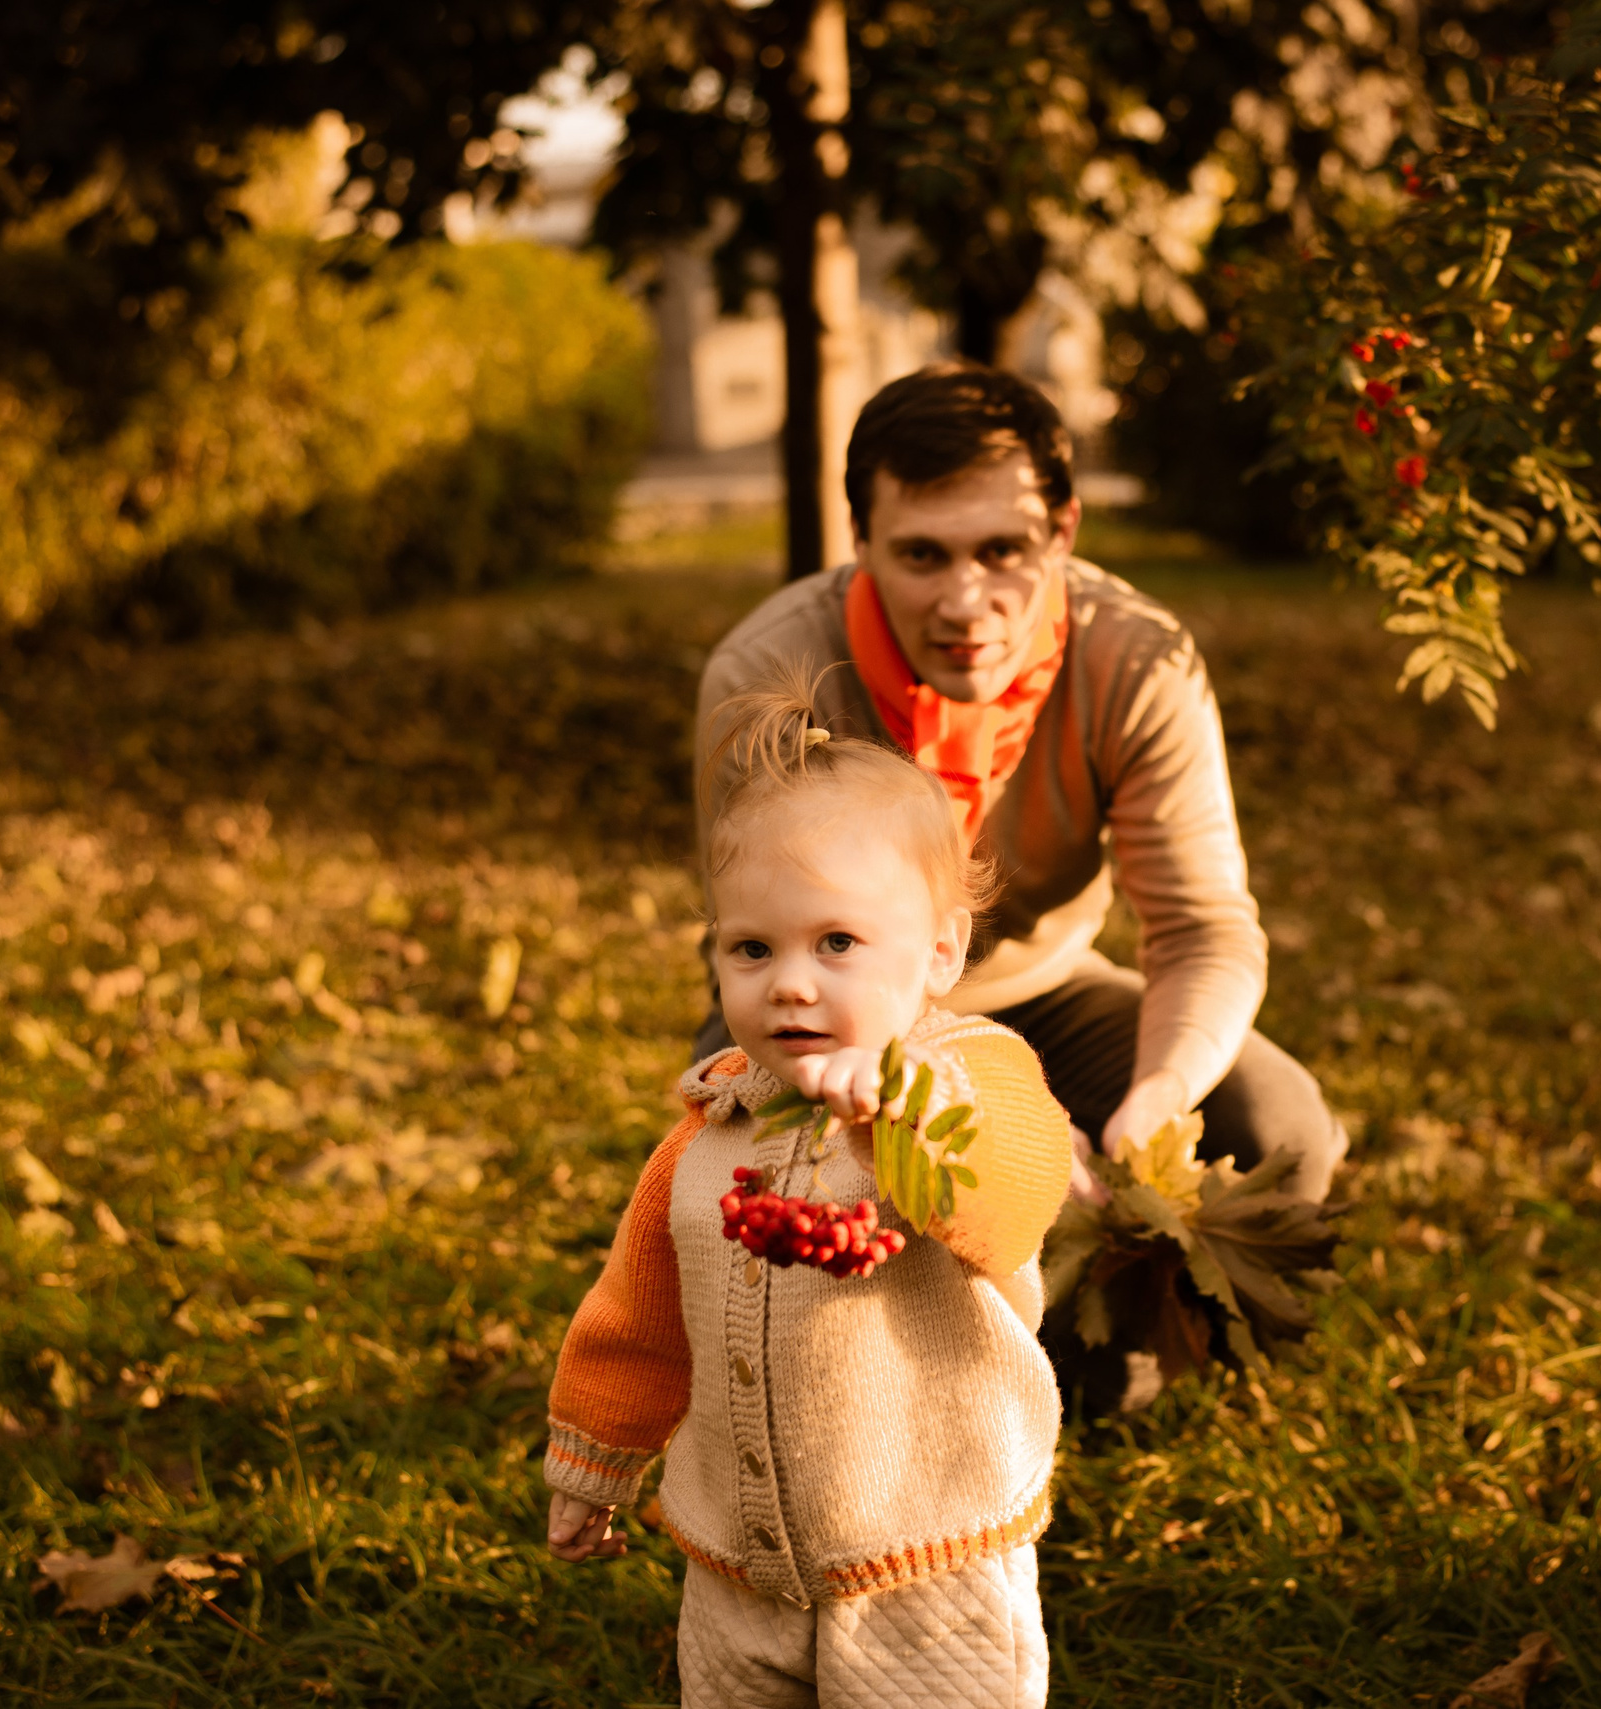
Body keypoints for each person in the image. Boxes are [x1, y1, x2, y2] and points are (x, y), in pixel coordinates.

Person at [693, 364, 1343, 1214]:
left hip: (1045, 995)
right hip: (823, 1001)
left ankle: (1128, 1308)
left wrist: (1156, 1100)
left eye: (1003, 551)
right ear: (861, 537)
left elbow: (1202, 929)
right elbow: (757, 939)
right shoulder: (769, 671)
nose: (967, 602)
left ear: (1063, 531)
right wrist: (986, 1116)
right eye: (922, 555)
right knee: (760, 1199)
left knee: (1280, 1130)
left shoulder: (1137, 663)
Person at [545, 681, 1073, 1706]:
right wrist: (594, 1463)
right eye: (753, 947)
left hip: (927, 1560)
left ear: (941, 952)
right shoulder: (710, 1134)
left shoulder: (969, 1083)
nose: (790, 981)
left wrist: (899, 1114)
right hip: (737, 1564)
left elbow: (1016, 1197)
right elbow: (638, 1321)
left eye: (836, 942)